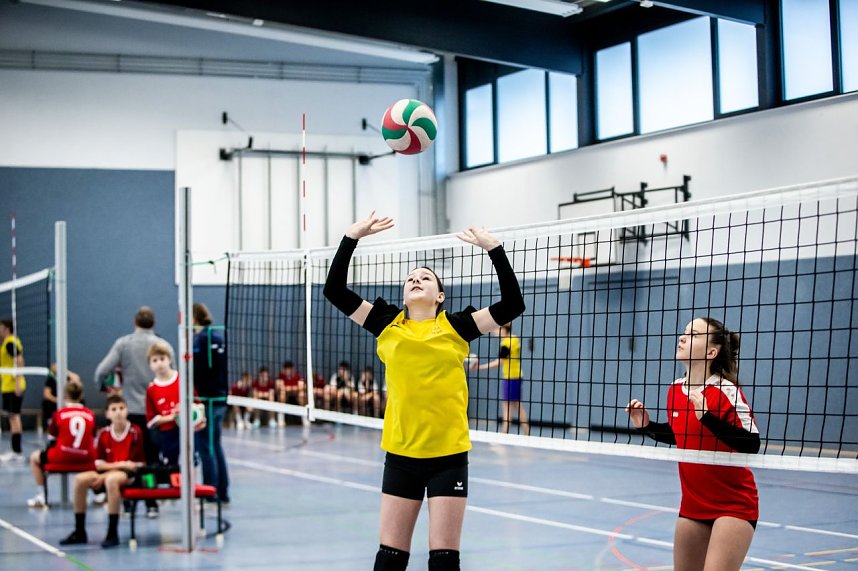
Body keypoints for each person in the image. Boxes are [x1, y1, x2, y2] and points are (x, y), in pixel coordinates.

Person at [323, 212, 525, 571]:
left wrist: (494, 249)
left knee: (444, 561)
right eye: (411, 278)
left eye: (425, 277)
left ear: (440, 295)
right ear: (404, 293)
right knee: (389, 558)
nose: (416, 279)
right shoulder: (387, 323)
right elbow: (334, 291)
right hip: (401, 454)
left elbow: (512, 306)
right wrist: (351, 237)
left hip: (448, 456)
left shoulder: (457, 325)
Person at [625, 317, 760, 571]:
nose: (683, 337)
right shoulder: (675, 390)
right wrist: (647, 426)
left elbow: (752, 443)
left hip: (733, 505)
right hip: (693, 504)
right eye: (684, 332)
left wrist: (707, 417)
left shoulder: (726, 391)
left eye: (693, 334)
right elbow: (682, 435)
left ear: (712, 352)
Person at [95, 306, 175, 518]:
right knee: (150, 459)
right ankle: (151, 503)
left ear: (135, 322)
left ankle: (129, 503)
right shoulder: (163, 346)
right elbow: (173, 375)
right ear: (154, 323)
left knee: (130, 458)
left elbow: (102, 371)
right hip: (155, 415)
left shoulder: (124, 344)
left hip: (131, 410)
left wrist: (105, 389)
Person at [60, 394, 145, 548]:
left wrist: (109, 471)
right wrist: (112, 469)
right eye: (114, 409)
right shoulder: (104, 434)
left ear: (127, 411)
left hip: (129, 475)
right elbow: (99, 464)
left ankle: (112, 532)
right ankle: (79, 531)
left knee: (111, 480)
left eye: (122, 408)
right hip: (109, 471)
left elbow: (133, 465)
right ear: (107, 414)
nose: (118, 412)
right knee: (80, 479)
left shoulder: (135, 432)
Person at [26, 381, 96, 507]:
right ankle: (99, 494)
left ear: (64, 396)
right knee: (99, 457)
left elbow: (51, 439)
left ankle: (41, 496)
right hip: (86, 457)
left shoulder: (59, 414)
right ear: (81, 396)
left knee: (34, 458)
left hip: (62, 456)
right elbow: (93, 436)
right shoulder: (90, 414)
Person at [192, 302, 230, 503]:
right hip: (221, 399)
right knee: (216, 445)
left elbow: (198, 373)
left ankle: (211, 490)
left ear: (193, 319)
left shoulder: (201, 340)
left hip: (208, 400)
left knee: (207, 447)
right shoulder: (218, 337)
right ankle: (223, 491)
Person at [471, 323, 530, 435]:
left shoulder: (506, 344)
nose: (494, 331)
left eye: (497, 329)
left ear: (504, 330)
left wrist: (479, 367)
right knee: (516, 405)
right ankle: (525, 431)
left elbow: (499, 362)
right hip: (516, 376)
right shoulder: (514, 339)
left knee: (507, 405)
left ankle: (505, 432)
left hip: (511, 377)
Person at [145, 341, 181, 466]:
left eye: (162, 359)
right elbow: (150, 420)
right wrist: (170, 417)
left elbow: (197, 403)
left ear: (169, 359)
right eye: (154, 360)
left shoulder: (182, 380)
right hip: (167, 435)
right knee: (170, 467)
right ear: (150, 364)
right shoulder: (152, 389)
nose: (159, 363)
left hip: (186, 432)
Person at [0, 318, 26, 462]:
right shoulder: (6, 343)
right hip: (7, 385)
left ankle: (17, 452)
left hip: (13, 386)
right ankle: (15, 450)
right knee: (12, 417)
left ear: (7, 328)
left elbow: (19, 360)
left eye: (1, 327)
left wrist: (17, 383)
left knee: (14, 417)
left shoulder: (11, 342)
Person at [42, 363, 82, 432]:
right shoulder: (51, 379)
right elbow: (47, 394)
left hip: (70, 401)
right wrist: (57, 400)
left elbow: (77, 379)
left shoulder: (68, 377)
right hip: (55, 402)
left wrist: (66, 372)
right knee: (47, 404)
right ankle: (50, 422)